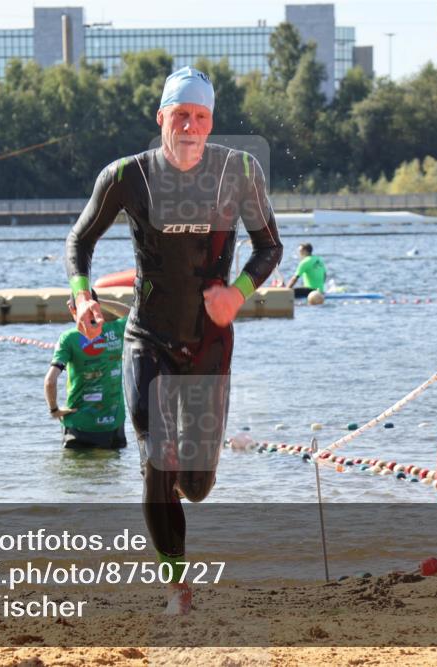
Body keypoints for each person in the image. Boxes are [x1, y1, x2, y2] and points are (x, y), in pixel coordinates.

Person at [64, 66, 283, 614]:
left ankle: (178, 484)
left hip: (210, 344)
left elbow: (269, 247)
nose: (189, 126)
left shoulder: (240, 171)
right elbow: (79, 240)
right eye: (179, 115)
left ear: (211, 124)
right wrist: (83, 296)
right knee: (158, 456)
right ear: (161, 117)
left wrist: (239, 292)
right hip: (148, 338)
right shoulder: (126, 175)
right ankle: (177, 585)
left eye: (200, 117)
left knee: (199, 483)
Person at [45, 290, 131, 449]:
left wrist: (54, 410)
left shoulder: (69, 338)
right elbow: (132, 314)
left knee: (80, 471)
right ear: (96, 307)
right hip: (114, 424)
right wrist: (99, 302)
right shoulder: (115, 331)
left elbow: (50, 381)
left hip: (80, 426)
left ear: (72, 309)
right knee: (111, 472)